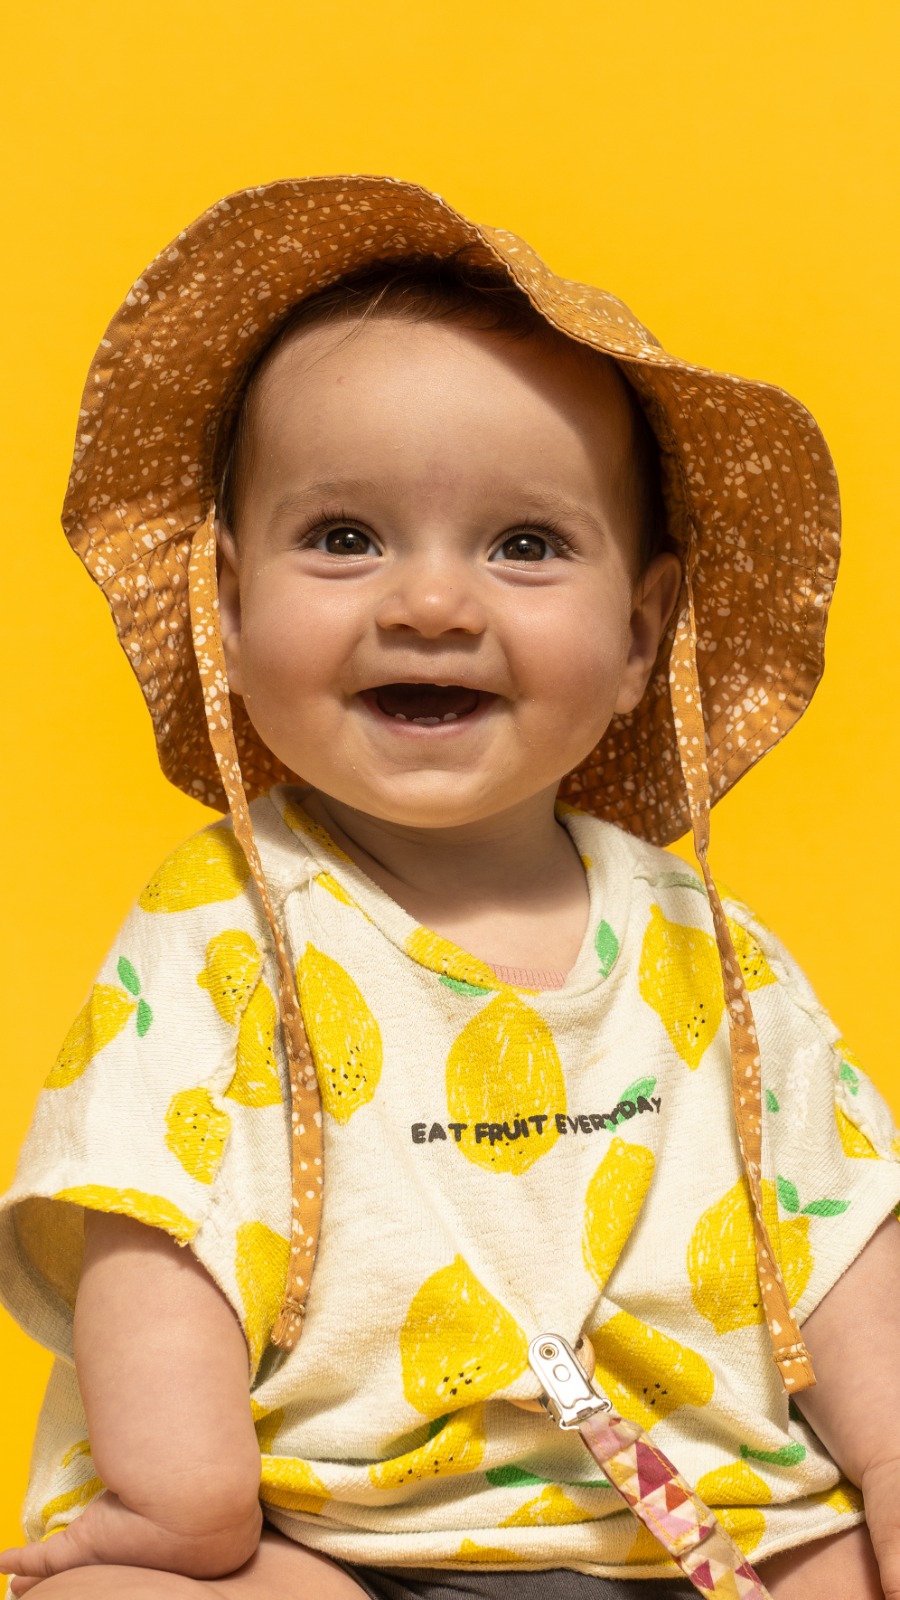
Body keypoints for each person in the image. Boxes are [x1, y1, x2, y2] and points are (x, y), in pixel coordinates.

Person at [0, 177, 898, 1600]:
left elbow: (843, 1233)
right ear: (224, 606)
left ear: (640, 636)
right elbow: (146, 1223)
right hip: (323, 1537)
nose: (429, 602)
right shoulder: (225, 928)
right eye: (344, 538)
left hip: (708, 1533)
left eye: (526, 545)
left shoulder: (704, 946)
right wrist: (189, 1513)